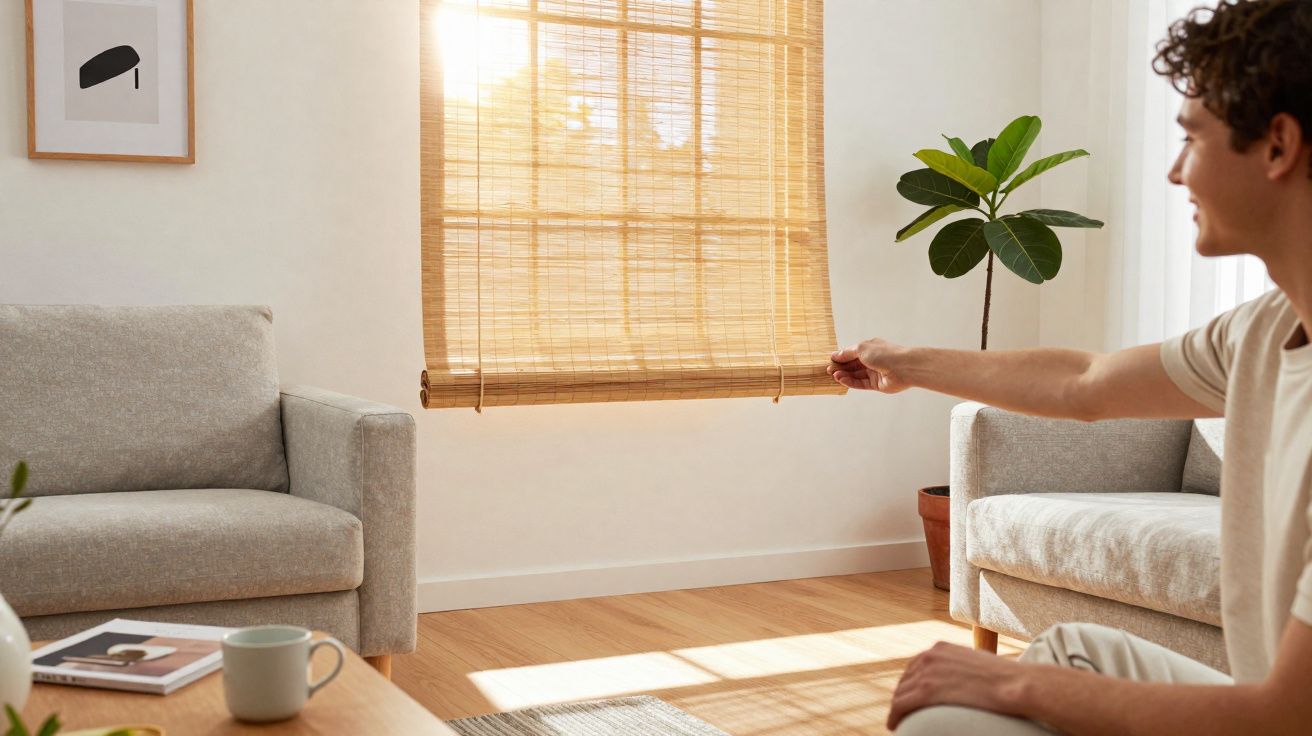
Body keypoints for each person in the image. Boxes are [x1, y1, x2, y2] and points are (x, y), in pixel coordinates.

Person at [826, 1, 1312, 733]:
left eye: (1192, 140)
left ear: (1277, 145)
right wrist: (906, 362)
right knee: (1068, 651)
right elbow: (1084, 383)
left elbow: (1284, 716)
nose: (1176, 173)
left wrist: (1009, 689)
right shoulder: (1266, 331)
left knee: (950, 717)